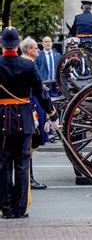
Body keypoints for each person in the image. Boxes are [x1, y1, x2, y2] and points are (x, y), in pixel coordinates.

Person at [0, 27, 59, 219]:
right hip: (24, 118)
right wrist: (52, 114)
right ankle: (21, 208)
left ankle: (6, 208)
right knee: (22, 164)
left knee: (3, 165)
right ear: (18, 45)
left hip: (2, 118)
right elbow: (41, 93)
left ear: (2, 44)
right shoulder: (28, 65)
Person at [20, 37, 49, 189]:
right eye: (36, 48)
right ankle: (28, 178)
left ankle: (29, 177)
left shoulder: (28, 63)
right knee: (31, 143)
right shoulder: (28, 64)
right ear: (29, 50)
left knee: (31, 144)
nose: (38, 50)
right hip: (30, 107)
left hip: (32, 105)